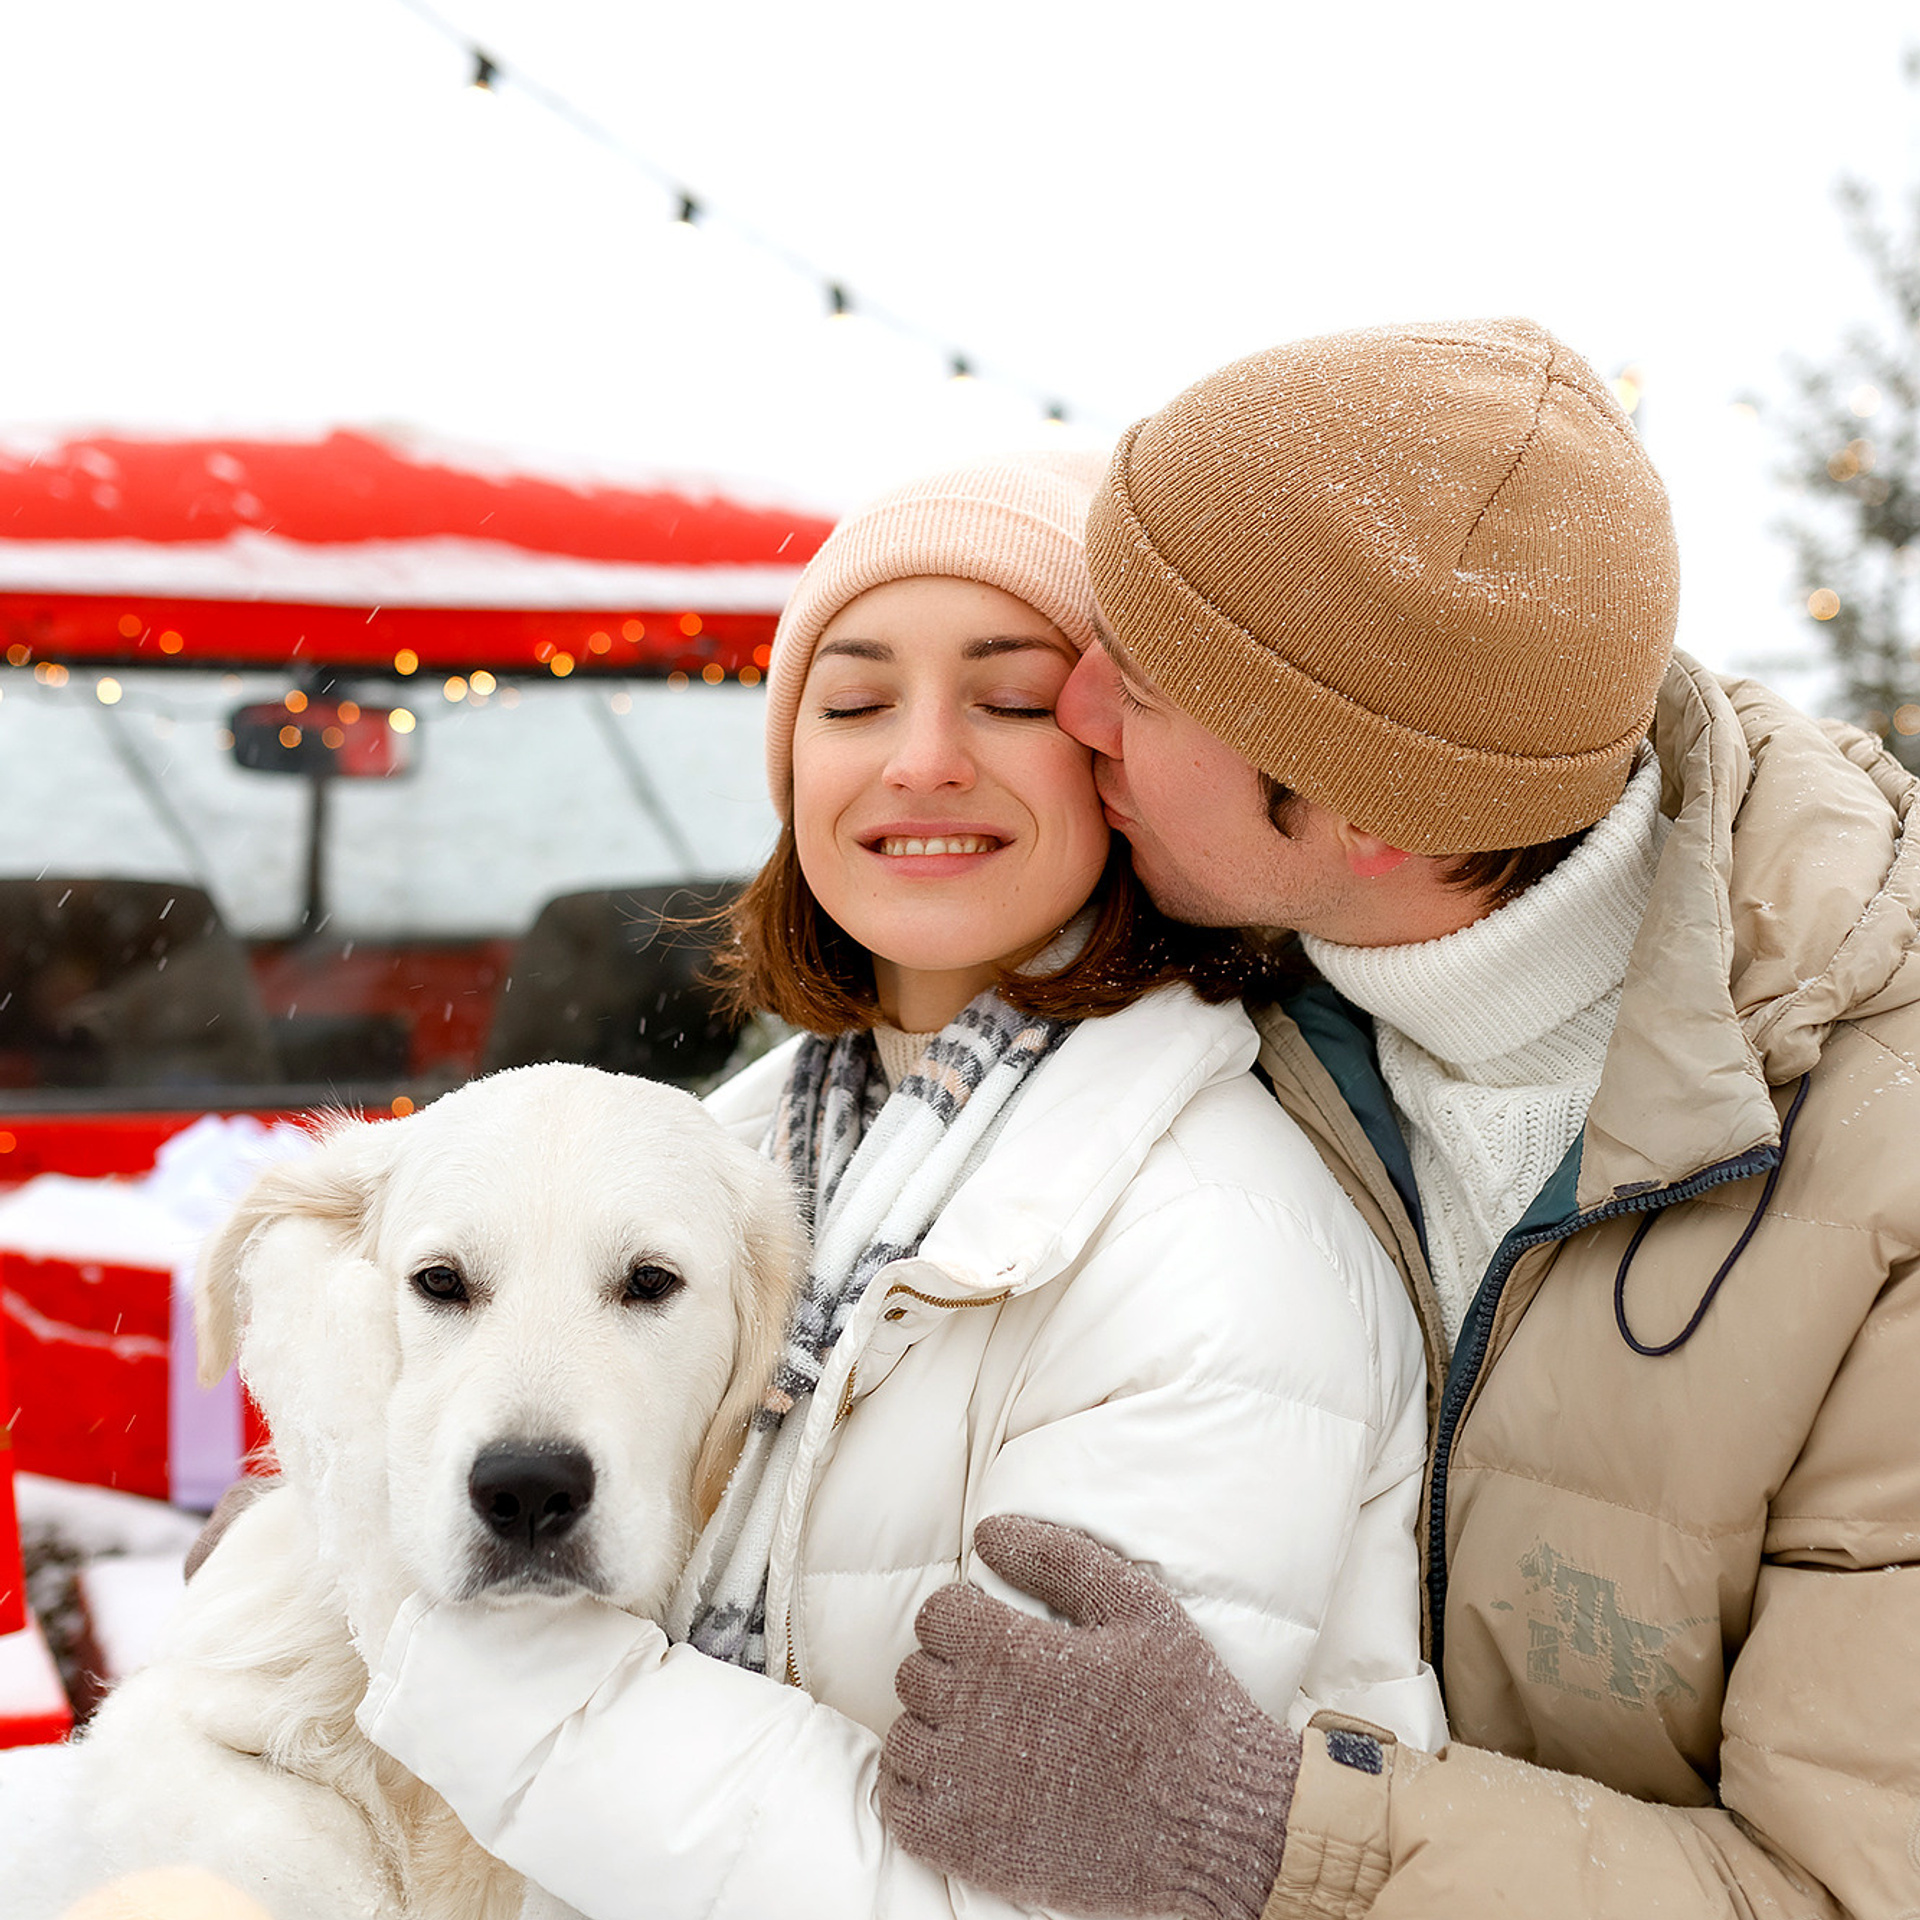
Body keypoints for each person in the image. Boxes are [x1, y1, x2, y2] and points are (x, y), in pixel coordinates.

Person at [874, 319, 1920, 1920]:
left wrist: (1263, 1834)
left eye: (1140, 687)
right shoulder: (1206, 978)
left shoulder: (1885, 1200)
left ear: (1366, 808)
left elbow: (1846, 1891)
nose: (1073, 708)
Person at [351, 449, 1446, 1917]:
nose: (922, 758)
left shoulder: (1216, 1251)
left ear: (1122, 763)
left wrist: (414, 1622)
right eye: (855, 701)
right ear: (795, 769)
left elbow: (1005, 1900)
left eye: (1008, 698)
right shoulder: (750, 1161)